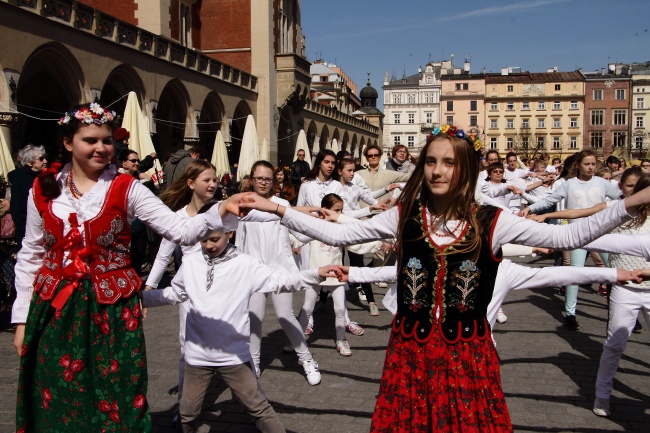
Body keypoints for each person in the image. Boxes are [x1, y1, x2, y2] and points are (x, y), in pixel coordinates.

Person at [236, 124, 650, 432]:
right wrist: (277, 209)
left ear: (464, 168)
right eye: (430, 161)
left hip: (466, 355)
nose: (437, 171)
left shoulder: (492, 220)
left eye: (448, 162)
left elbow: (570, 235)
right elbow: (341, 233)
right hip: (411, 352)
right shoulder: (405, 215)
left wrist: (632, 203)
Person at [11, 103, 243, 433]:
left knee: (117, 393)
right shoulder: (44, 189)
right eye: (90, 140)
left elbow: (179, 230)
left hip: (112, 310)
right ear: (67, 143)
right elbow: (31, 254)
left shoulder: (126, 187)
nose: (101, 148)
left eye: (107, 141)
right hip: (56, 308)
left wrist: (222, 211)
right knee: (58, 392)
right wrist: (21, 319)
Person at [140, 209, 342, 433]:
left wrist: (315, 274)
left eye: (214, 239)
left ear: (229, 233)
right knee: (187, 414)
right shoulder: (191, 263)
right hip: (196, 357)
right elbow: (175, 293)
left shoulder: (245, 264)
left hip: (233, 356)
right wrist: (140, 299)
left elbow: (280, 281)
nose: (209, 245)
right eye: (204, 240)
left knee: (259, 409)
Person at [144, 159, 219, 418]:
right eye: (206, 180)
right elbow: (163, 256)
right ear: (190, 184)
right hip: (189, 290)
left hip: (220, 287)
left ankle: (250, 401)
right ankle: (184, 405)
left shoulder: (220, 211)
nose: (212, 184)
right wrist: (148, 290)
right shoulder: (176, 218)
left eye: (214, 179)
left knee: (228, 344)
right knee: (186, 346)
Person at [237, 160, 321, 383]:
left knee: (285, 316)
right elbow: (239, 240)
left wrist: (319, 230)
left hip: (279, 270)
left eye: (267, 178)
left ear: (273, 181)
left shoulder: (281, 203)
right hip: (253, 271)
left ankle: (306, 359)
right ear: (251, 180)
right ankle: (253, 364)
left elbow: (299, 233)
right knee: (254, 319)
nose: (263, 182)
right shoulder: (244, 204)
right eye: (259, 178)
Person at [520, 149, 622, 329]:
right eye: (586, 164)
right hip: (578, 234)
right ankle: (570, 313)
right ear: (578, 166)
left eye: (593, 164)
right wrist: (531, 208)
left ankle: (620, 311)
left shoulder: (602, 183)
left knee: (612, 271)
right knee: (575, 273)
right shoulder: (568, 184)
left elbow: (620, 200)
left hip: (602, 233)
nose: (590, 168)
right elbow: (549, 200)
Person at [8, 144, 47, 247]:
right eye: (41, 159)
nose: (45, 161)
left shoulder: (43, 177)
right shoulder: (21, 179)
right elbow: (18, 207)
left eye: (45, 158)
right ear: (30, 162)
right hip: (28, 233)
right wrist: (25, 232)